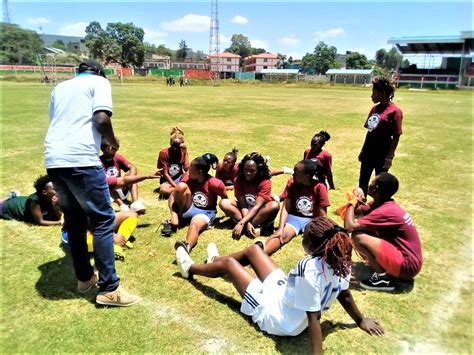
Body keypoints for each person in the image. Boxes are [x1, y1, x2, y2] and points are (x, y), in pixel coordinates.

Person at [175, 216, 384, 353]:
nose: (302, 238)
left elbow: (314, 319)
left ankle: (190, 268)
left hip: (278, 317)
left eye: (305, 237)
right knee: (254, 251)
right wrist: (360, 320)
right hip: (285, 295)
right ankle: (214, 263)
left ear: (312, 245)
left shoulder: (308, 268)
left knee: (230, 265)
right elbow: (344, 294)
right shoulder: (341, 261)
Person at [44, 59, 140, 306]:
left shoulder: (60, 88)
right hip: (81, 160)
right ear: (99, 73)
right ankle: (110, 288)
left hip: (54, 159)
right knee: (103, 219)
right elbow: (100, 119)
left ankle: (85, 278)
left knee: (75, 219)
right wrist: (111, 140)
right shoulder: (99, 82)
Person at [343, 172, 422, 291]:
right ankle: (383, 267)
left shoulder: (385, 211)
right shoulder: (382, 204)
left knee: (358, 236)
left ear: (376, 189)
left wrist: (352, 202)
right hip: (409, 262)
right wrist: (358, 197)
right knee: (365, 231)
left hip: (407, 266)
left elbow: (349, 226)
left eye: (372, 183)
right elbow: (358, 211)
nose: (369, 185)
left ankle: (383, 279)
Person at [264, 159, 330, 256]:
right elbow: (286, 207)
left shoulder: (319, 187)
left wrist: (319, 231)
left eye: (296, 173)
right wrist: (281, 228)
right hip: (294, 218)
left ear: (307, 176)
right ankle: (260, 254)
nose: (293, 175)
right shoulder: (292, 183)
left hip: (312, 220)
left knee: (318, 241)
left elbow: (322, 215)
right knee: (282, 236)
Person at [169, 153, 228, 253]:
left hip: (205, 212)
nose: (188, 170)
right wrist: (173, 214)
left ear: (199, 172)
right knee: (180, 187)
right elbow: (172, 196)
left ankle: (186, 247)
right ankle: (179, 218)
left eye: (191, 168)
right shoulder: (187, 178)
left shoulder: (215, 183)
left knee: (195, 225)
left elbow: (225, 199)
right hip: (190, 206)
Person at [219, 152, 280, 239]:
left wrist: (241, 223)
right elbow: (243, 204)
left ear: (258, 170)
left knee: (274, 205)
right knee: (224, 202)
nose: (248, 173)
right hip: (245, 209)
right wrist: (245, 222)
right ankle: (250, 227)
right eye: (246, 170)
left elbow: (257, 206)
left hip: (259, 211)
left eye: (252, 171)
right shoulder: (238, 180)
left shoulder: (265, 182)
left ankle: (246, 225)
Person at [358, 77, 403, 195]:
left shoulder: (395, 111)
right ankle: (361, 205)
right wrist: (363, 150)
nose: (372, 95)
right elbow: (370, 131)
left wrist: (389, 157)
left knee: (380, 181)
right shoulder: (375, 109)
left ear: (382, 93)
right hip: (369, 149)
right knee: (363, 178)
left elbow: (396, 136)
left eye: (374, 92)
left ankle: (379, 206)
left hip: (383, 150)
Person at [100, 141, 146, 213]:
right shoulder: (99, 162)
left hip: (122, 188)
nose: (113, 152)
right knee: (106, 184)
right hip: (109, 193)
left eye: (115, 150)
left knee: (132, 178)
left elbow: (132, 167)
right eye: (111, 150)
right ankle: (122, 206)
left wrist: (129, 180)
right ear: (102, 149)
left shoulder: (117, 157)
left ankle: (135, 203)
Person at [157, 127, 189, 199]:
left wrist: (185, 152)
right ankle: (184, 191)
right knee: (163, 190)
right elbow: (165, 173)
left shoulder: (182, 151)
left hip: (180, 178)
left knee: (190, 173)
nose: (175, 149)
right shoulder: (164, 153)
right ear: (170, 143)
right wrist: (176, 186)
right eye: (173, 146)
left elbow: (186, 169)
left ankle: (180, 191)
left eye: (177, 146)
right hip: (167, 180)